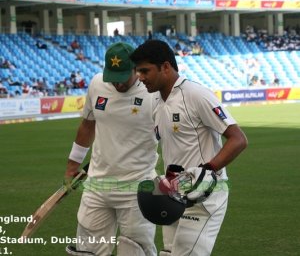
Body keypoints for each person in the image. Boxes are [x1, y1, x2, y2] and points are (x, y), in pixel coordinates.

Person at [130, 39, 248, 256]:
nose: (140, 77)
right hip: (173, 194)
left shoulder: (195, 94)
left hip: (205, 195)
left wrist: (208, 169)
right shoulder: (155, 101)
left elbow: (238, 139)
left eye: (145, 71)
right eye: (138, 71)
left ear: (165, 67)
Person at [64, 42, 158, 256]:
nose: (117, 85)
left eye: (122, 77)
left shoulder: (152, 92)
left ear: (136, 69)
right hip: (97, 185)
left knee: (135, 251)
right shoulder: (97, 83)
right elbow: (87, 124)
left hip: (137, 187)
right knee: (87, 251)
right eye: (112, 78)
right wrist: (72, 165)